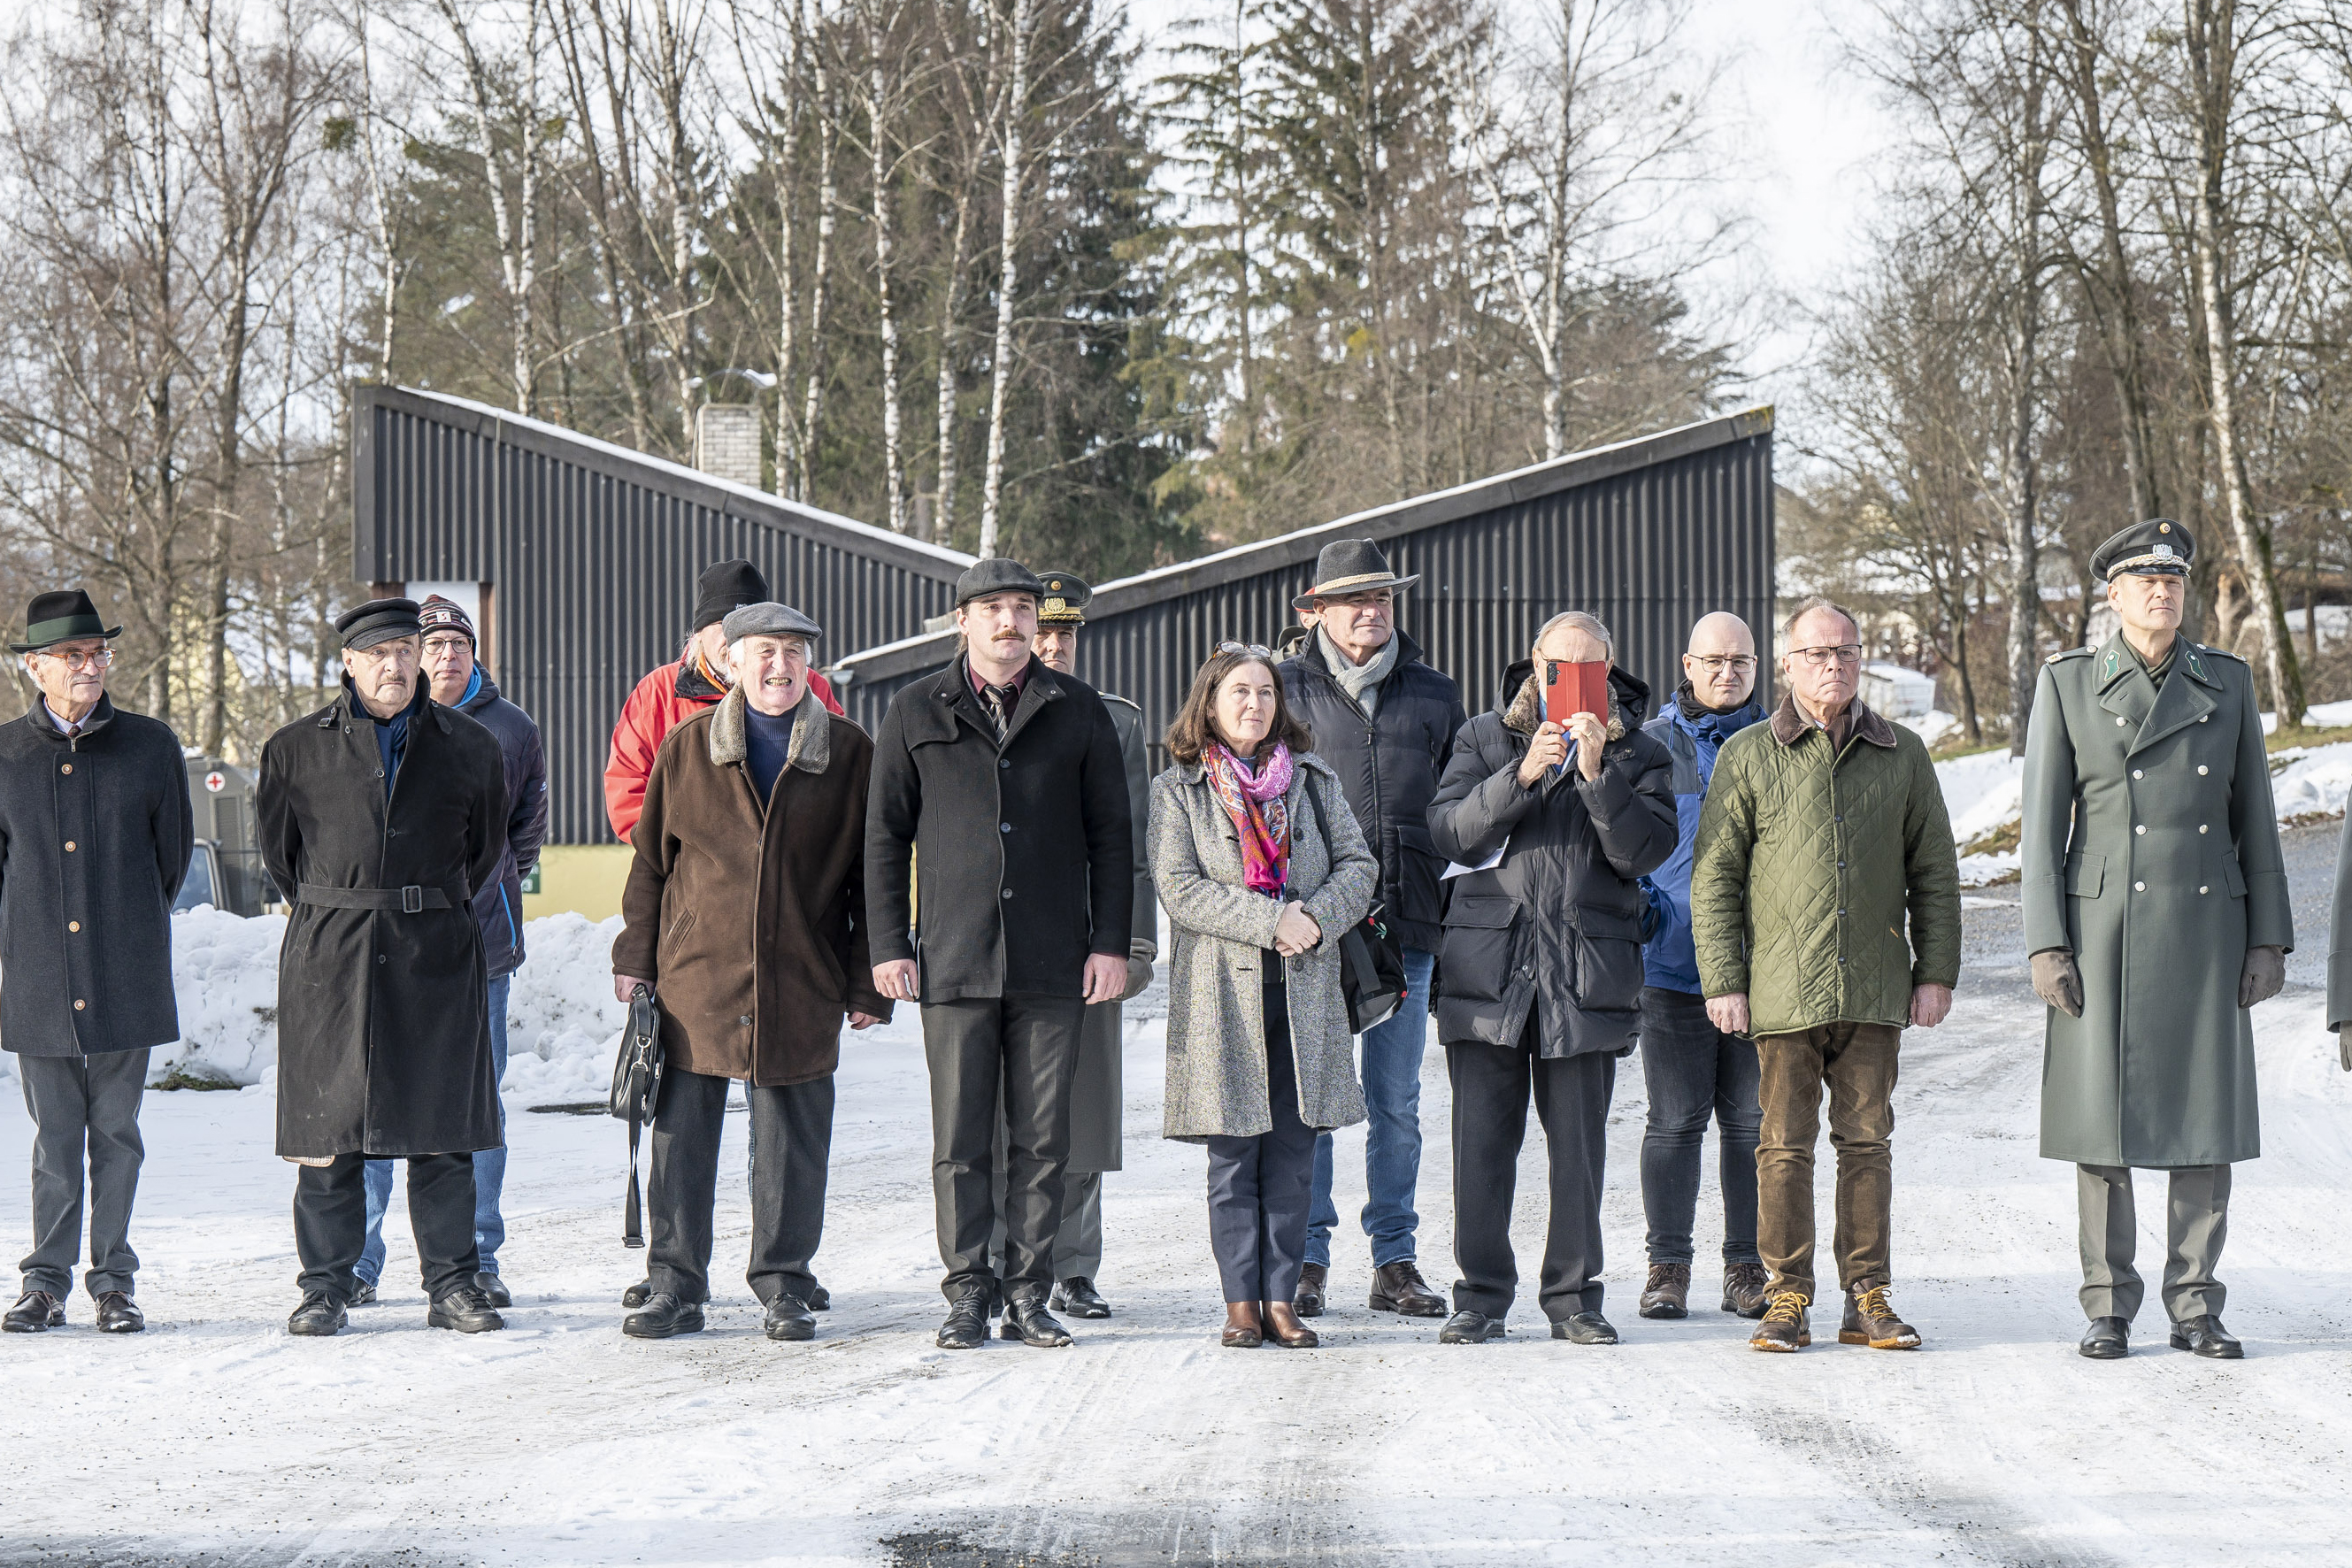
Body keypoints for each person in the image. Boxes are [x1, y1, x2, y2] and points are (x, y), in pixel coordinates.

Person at [2022, 520, 2289, 1362]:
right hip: (2104, 928)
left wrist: (2268, 938)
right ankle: (2108, 1302)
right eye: (2143, 580)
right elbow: (2040, 829)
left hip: (2207, 924)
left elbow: (2257, 818)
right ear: (2113, 594)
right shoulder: (2068, 684)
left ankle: (2195, 1302)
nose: (2161, 592)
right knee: (2102, 1119)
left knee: (2201, 1120)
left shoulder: (2228, 682)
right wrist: (2045, 944)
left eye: (2173, 580)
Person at [865, 558, 1134, 1350]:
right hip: (953, 957)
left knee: (1044, 1138)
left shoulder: (1078, 711)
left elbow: (1112, 841)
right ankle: (967, 1289)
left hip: (1055, 960)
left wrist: (1111, 944)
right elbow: (883, 838)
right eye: (993, 609)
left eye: (1021, 609)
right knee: (960, 1138)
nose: (1009, 622)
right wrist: (889, 943)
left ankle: (1028, 1291)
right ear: (963, 621)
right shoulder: (914, 708)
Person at [611, 603, 891, 1341]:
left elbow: (874, 878)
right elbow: (650, 866)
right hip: (697, 973)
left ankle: (785, 1282)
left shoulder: (851, 752)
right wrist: (636, 959)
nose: (780, 666)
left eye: (795, 652)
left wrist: (864, 982)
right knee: (680, 1135)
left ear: (810, 665)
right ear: (731, 661)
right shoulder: (687, 747)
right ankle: (675, 1283)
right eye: (765, 651)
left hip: (804, 973)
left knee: (794, 1138)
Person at [1690, 596, 1960, 1355]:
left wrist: (1935, 970)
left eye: (1845, 651)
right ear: (1787, 663)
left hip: (1874, 987)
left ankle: (1867, 1296)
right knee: (1782, 1146)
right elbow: (1714, 878)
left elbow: (1934, 871)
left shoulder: (1903, 753)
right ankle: (1786, 1295)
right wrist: (1725, 981)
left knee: (1867, 1142)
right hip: (1781, 990)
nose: (1832, 665)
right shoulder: (1749, 753)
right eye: (1816, 653)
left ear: (1860, 658)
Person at [257, 598, 511, 1338]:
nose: (395, 666)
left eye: (406, 650)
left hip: (436, 949)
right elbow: (284, 858)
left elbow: (485, 848)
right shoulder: (295, 749)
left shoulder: (468, 746)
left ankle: (454, 1284)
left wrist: (419, 901)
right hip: (329, 955)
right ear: (348, 663)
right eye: (379, 654)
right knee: (331, 1132)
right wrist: (345, 903)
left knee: (442, 1131)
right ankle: (326, 1286)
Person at [1426, 612, 1677, 1347]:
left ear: (1609, 667)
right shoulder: (1483, 737)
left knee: (1579, 1151)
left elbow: (1644, 854)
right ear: (1536, 665)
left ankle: (1575, 1298)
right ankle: (1478, 1297)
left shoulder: (1641, 752)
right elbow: (1450, 832)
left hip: (1586, 975)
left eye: (1588, 667)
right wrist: (1523, 772)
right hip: (1488, 972)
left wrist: (1599, 778)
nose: (1571, 680)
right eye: (1558, 666)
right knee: (1479, 1148)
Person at [1150, 645, 1378, 1348]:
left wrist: (1311, 921)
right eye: (1239, 692)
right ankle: (1240, 1303)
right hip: (1222, 995)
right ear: (1210, 704)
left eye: (1267, 693)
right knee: (1233, 1156)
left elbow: (1359, 864)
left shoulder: (1311, 780)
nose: (1255, 704)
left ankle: (1283, 1299)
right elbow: (1179, 885)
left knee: (1292, 1152)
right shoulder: (1178, 788)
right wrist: (1268, 918)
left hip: (1304, 991)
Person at [1277, 538, 1465, 1320]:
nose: (1371, 612)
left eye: (1383, 598)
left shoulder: (1434, 693)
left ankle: (1395, 1259)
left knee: (1396, 1102)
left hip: (1410, 924)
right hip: (1318, 930)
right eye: (1354, 599)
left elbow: (1463, 812)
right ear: (1314, 610)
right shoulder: (1282, 691)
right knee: (1317, 1099)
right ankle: (1306, 1259)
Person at [0, 590, 191, 1336]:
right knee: (55, 1139)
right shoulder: (6, 754)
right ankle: (43, 1283)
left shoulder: (150, 745)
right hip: (39, 978)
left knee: (117, 1131)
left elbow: (169, 862)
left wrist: (127, 929)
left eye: (99, 654)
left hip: (126, 972)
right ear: (34, 667)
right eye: (75, 657)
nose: (91, 667)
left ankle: (114, 1282)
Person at [352, 596, 548, 1311]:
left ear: (473, 653)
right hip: (385, 947)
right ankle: (360, 1260)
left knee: (475, 1104)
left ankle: (477, 1256)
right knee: (369, 1097)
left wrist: (483, 886)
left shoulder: (512, 728)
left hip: (480, 947)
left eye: (457, 644)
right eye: (430, 645)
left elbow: (523, 827)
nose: (444, 656)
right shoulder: (378, 725)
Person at [985, 573, 1157, 1320]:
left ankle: (1075, 1266)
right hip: (996, 945)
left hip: (1088, 946)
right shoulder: (977, 708)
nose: (1053, 646)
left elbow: (1134, 845)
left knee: (1081, 1115)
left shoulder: (1113, 722)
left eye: (1065, 634)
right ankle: (998, 1261)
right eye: (1041, 631)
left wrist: (1134, 942)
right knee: (993, 1116)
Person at [1633, 612, 1770, 1321]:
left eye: (1740, 661)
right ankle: (1668, 1267)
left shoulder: (1778, 742)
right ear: (1686, 664)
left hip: (1761, 970)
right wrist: (1650, 917)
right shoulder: (1653, 746)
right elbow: (1622, 846)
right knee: (1676, 1121)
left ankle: (1746, 1266)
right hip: (1674, 966)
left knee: (1749, 1124)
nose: (1727, 673)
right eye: (1713, 661)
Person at [604, 559, 842, 844]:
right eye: (722, 624)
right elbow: (628, 785)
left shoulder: (808, 684)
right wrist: (677, 852)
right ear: (698, 634)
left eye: (747, 626)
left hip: (793, 856)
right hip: (694, 867)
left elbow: (841, 770)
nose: (733, 635)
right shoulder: (658, 692)